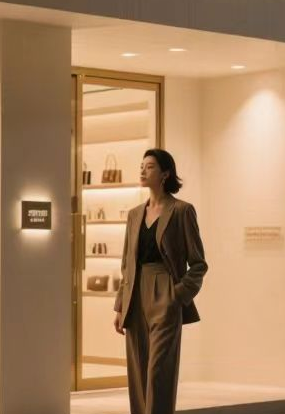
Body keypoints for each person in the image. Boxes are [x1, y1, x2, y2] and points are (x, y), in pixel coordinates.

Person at [114, 149, 207, 414]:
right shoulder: (134, 214)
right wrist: (120, 306)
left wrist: (177, 295)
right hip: (135, 295)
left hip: (165, 293)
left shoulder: (182, 211)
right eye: (141, 165)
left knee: (158, 373)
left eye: (150, 166)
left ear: (165, 174)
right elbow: (127, 264)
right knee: (138, 373)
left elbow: (199, 263)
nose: (143, 170)